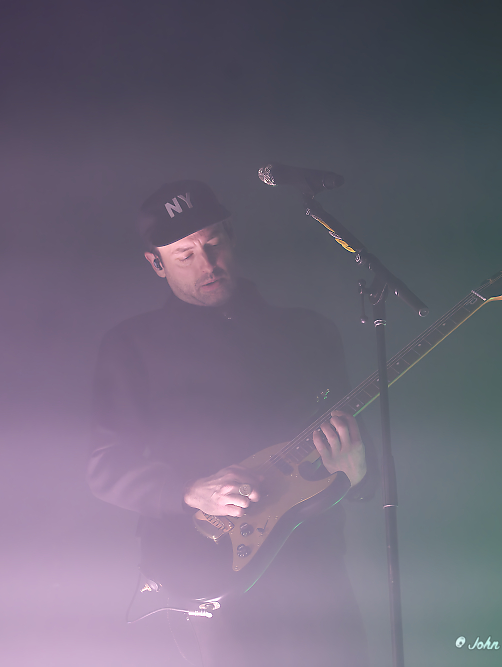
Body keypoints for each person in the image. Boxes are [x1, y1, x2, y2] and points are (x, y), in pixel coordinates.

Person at [88, 179, 377, 667]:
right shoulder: (130, 345)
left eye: (213, 243)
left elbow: (359, 451)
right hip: (205, 572)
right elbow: (105, 467)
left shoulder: (309, 331)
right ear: (156, 263)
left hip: (316, 567)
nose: (207, 265)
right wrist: (189, 490)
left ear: (231, 236)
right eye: (184, 255)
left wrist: (361, 472)